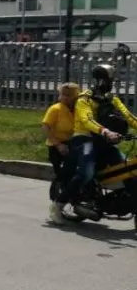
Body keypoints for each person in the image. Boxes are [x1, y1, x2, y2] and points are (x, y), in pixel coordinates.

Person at [51, 64, 137, 224]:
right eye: (107, 79)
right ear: (99, 80)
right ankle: (58, 205)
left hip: (104, 141)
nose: (110, 82)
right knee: (86, 173)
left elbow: (129, 117)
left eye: (111, 79)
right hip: (84, 139)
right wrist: (106, 131)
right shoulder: (85, 99)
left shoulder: (112, 99)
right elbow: (87, 120)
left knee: (127, 170)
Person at [43, 83, 79, 202]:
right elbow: (45, 127)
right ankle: (57, 198)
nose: (65, 97)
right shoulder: (56, 109)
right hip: (55, 144)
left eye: (68, 95)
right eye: (63, 94)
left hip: (72, 142)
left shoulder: (77, 109)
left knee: (75, 170)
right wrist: (58, 145)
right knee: (61, 174)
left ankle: (74, 194)